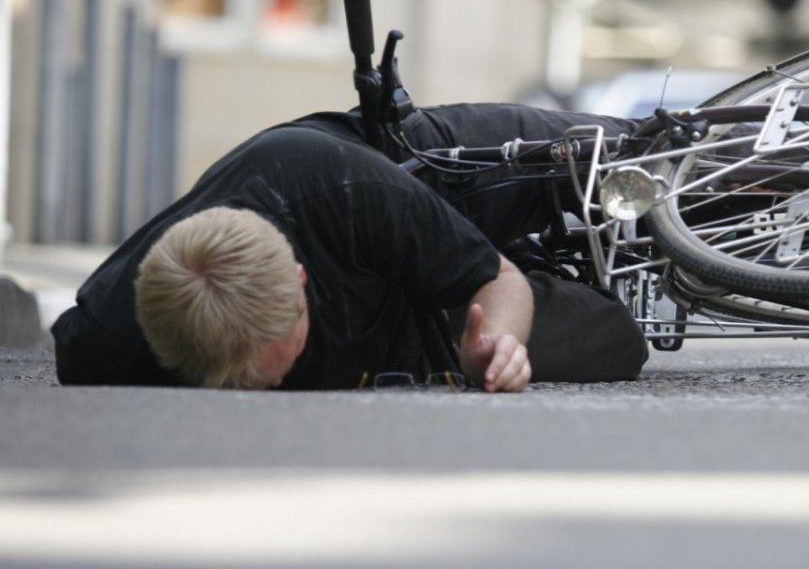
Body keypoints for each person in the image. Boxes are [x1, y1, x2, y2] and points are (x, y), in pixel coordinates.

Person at [52, 103, 650, 391]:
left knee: (626, 157)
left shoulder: (343, 184)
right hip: (408, 322)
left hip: (419, 173)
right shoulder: (108, 342)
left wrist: (501, 308)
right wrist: (497, 350)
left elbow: (498, 279)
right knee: (617, 341)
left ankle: (736, 167)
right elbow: (501, 310)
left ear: (300, 280)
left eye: (273, 362)